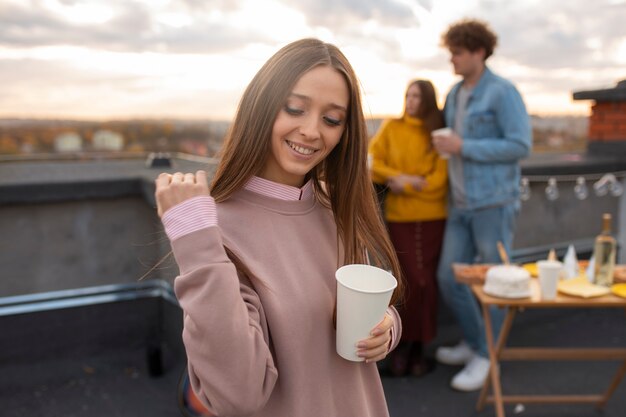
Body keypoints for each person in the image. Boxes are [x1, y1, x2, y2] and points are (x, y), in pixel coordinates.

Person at [154, 38, 405, 417]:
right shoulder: (213, 229)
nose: (311, 130)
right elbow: (237, 395)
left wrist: (386, 327)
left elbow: (366, 311)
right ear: (262, 106)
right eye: (295, 108)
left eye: (332, 119)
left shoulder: (335, 205)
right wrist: (197, 246)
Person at [432, 19, 532, 392]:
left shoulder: (503, 92)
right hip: (458, 204)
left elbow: (520, 145)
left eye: (456, 53)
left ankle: (488, 356)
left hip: (493, 204)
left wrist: (464, 147)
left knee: (494, 283)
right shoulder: (455, 93)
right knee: (450, 278)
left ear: (478, 51)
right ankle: (476, 343)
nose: (452, 60)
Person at [368, 79, 447, 377]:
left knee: (426, 282)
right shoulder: (391, 127)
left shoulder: (437, 134)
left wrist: (407, 185)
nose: (411, 100)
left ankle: (417, 349)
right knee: (408, 282)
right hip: (400, 218)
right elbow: (373, 163)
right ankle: (401, 348)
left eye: (417, 96)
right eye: (408, 95)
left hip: (432, 218)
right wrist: (399, 178)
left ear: (427, 100)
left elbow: (439, 181)